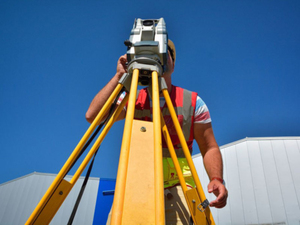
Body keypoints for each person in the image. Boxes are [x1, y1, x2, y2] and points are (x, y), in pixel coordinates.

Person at [86, 40, 228, 224]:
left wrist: (216, 178)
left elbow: (209, 147)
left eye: (163, 51)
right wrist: (119, 76)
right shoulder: (132, 98)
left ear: (173, 63)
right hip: (134, 190)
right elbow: (93, 115)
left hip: (178, 191)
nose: (156, 55)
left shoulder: (193, 102)